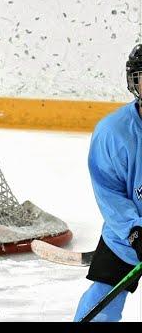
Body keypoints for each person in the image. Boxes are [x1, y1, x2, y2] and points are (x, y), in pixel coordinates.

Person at [73, 44, 142, 322]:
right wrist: (135, 231)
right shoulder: (113, 133)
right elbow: (110, 193)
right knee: (103, 300)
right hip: (127, 236)